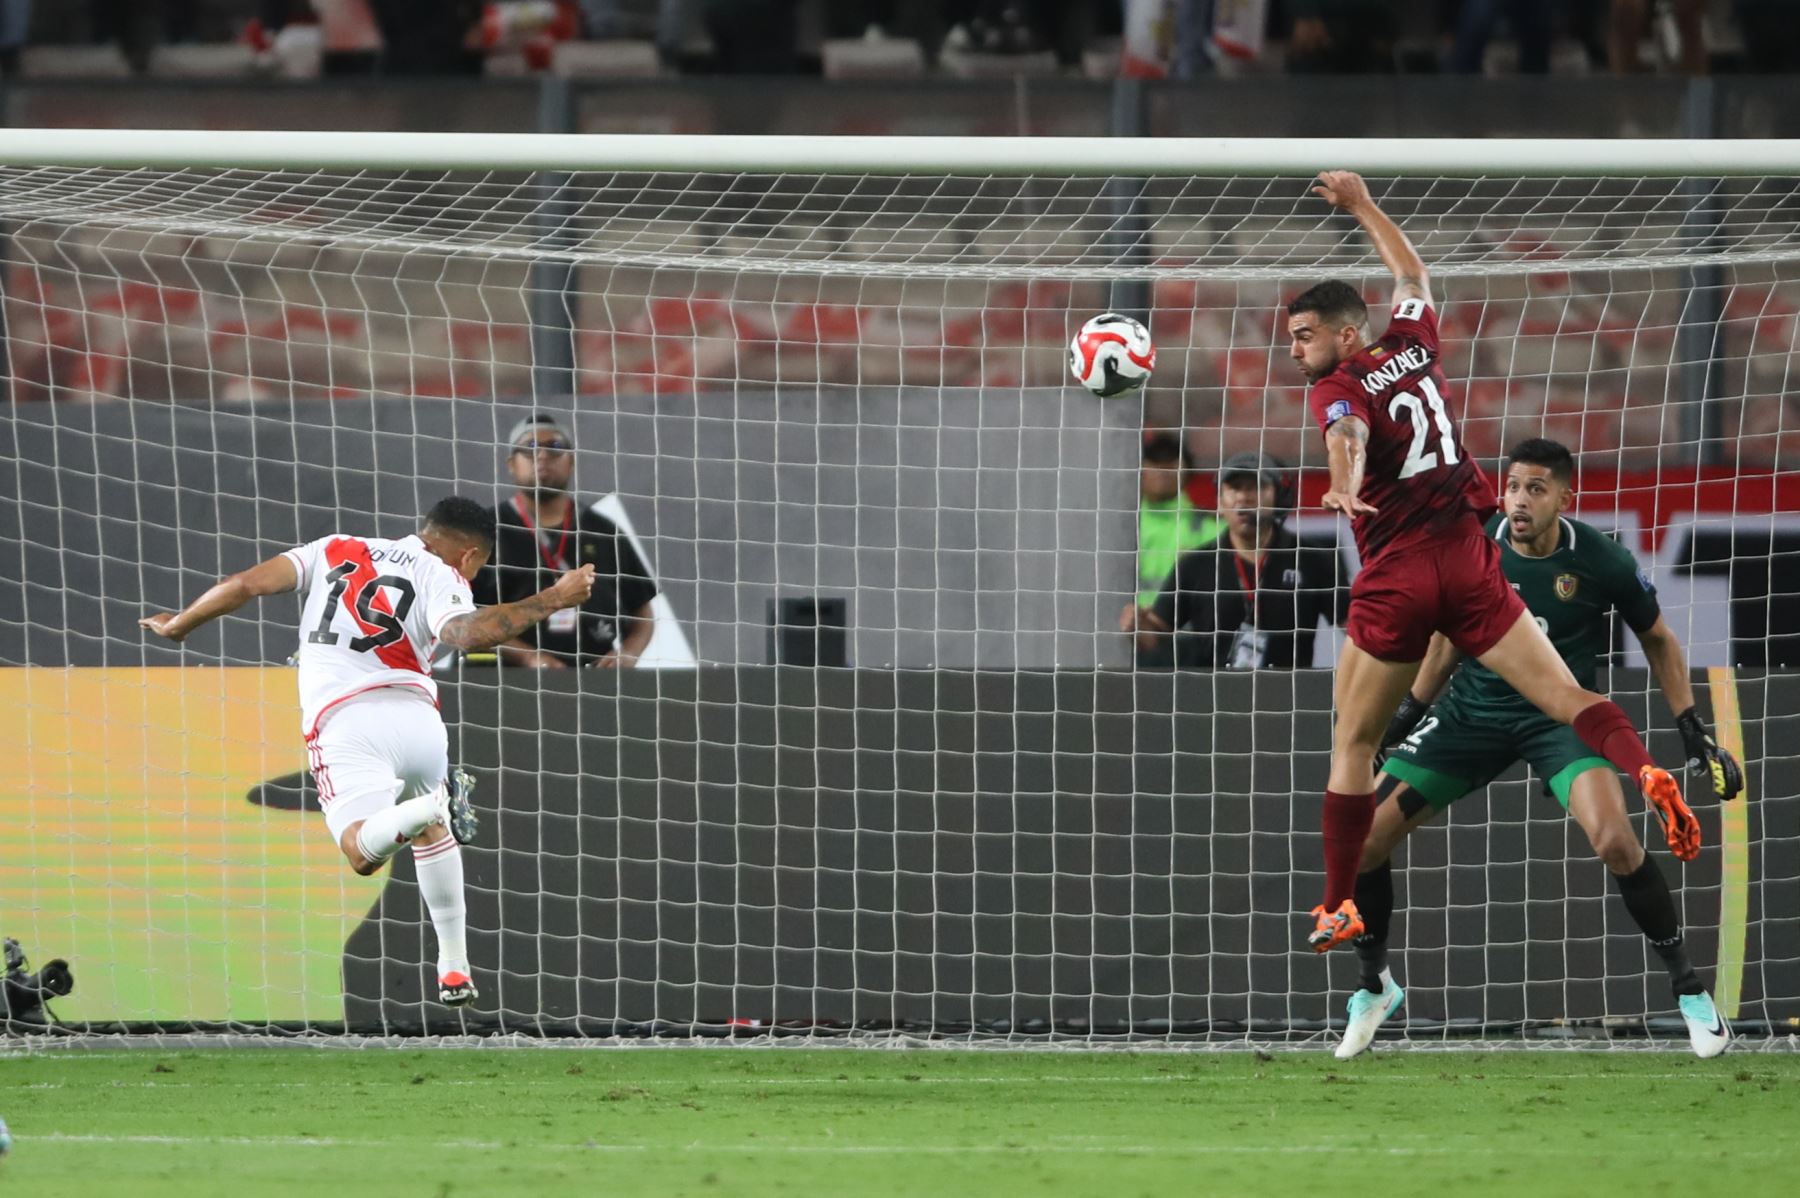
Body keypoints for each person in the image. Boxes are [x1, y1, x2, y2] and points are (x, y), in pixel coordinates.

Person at [1293, 169, 1690, 956]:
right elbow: (1410, 273)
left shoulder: (1338, 385)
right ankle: (1645, 768)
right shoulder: (1413, 343)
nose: (1296, 349)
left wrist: (1342, 487)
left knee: (1352, 745)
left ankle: (1336, 904)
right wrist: (1365, 204)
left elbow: (1347, 436)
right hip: (1473, 561)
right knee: (1570, 694)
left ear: (1344, 335)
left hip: (1401, 575)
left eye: (1304, 335)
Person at [1335, 438, 1744, 1059]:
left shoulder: (1600, 559)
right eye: (1512, 486)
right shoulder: (1476, 544)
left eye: (1535, 489)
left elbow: (1658, 638)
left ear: (1564, 496)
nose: (1518, 501)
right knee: (1365, 839)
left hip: (1560, 722)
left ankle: (1690, 991)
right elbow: (1446, 640)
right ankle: (1375, 986)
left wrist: (1690, 725)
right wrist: (1409, 713)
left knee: (1615, 841)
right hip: (1471, 717)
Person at [139, 497, 596, 1006]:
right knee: (429, 833)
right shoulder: (442, 576)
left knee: (361, 852)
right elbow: (468, 634)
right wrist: (554, 597)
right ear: (469, 556)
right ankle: (454, 967)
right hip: (420, 723)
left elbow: (244, 584)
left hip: (348, 722)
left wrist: (179, 624)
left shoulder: (335, 548)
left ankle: (435, 804)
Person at [1124, 452, 1350, 669]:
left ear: (1280, 497)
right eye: (1234, 488)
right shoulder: (1195, 565)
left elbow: (1354, 628)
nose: (1244, 496)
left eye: (1257, 487)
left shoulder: (1313, 559)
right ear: (1220, 502)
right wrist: (1137, 625)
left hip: (1291, 697)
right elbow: (1155, 636)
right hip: (1211, 700)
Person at [475, 414, 659, 669]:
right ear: (511, 464)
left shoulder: (603, 531)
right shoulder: (484, 530)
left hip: (592, 678)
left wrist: (627, 654)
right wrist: (529, 657)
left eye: (555, 447)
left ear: (571, 461)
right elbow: (467, 617)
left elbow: (643, 614)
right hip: (505, 678)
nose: (542, 456)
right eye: (529, 448)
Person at [1123, 431, 1220, 667]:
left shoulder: (1213, 528)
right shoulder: (1119, 526)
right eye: (1155, 462)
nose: (1163, 471)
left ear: (1187, 470)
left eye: (1172, 462)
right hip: (1132, 637)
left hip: (1193, 641)